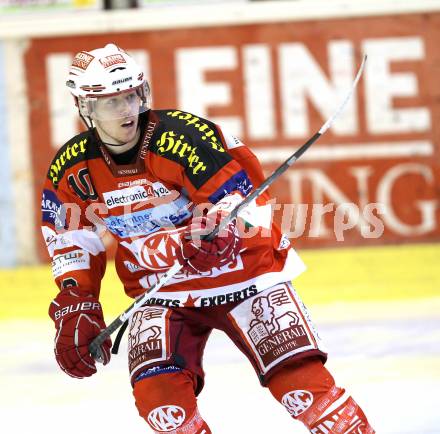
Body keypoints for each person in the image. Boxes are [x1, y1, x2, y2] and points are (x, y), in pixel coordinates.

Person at [41, 43, 374, 433]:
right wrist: (75, 300)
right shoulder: (71, 167)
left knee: (302, 390)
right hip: (162, 291)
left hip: (245, 275)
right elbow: (71, 237)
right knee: (163, 407)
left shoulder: (184, 138)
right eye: (111, 101)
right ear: (86, 107)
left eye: (131, 96)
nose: (126, 109)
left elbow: (241, 198)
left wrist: (219, 230)